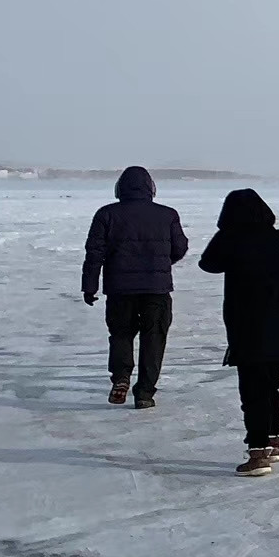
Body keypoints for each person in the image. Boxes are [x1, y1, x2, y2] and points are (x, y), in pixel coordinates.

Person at [198, 189, 279, 477]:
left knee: (253, 390)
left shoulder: (230, 241)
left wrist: (226, 233)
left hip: (248, 327)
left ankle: (258, 454)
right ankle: (273, 441)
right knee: (270, 384)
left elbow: (208, 263)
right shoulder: (277, 239)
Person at [82, 166, 189, 408]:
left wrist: (89, 286)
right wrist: (161, 263)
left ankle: (121, 377)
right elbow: (179, 248)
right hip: (157, 289)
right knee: (154, 338)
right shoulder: (168, 215)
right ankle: (144, 393)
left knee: (120, 334)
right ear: (151, 188)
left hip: (120, 289)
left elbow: (94, 254)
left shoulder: (106, 214)